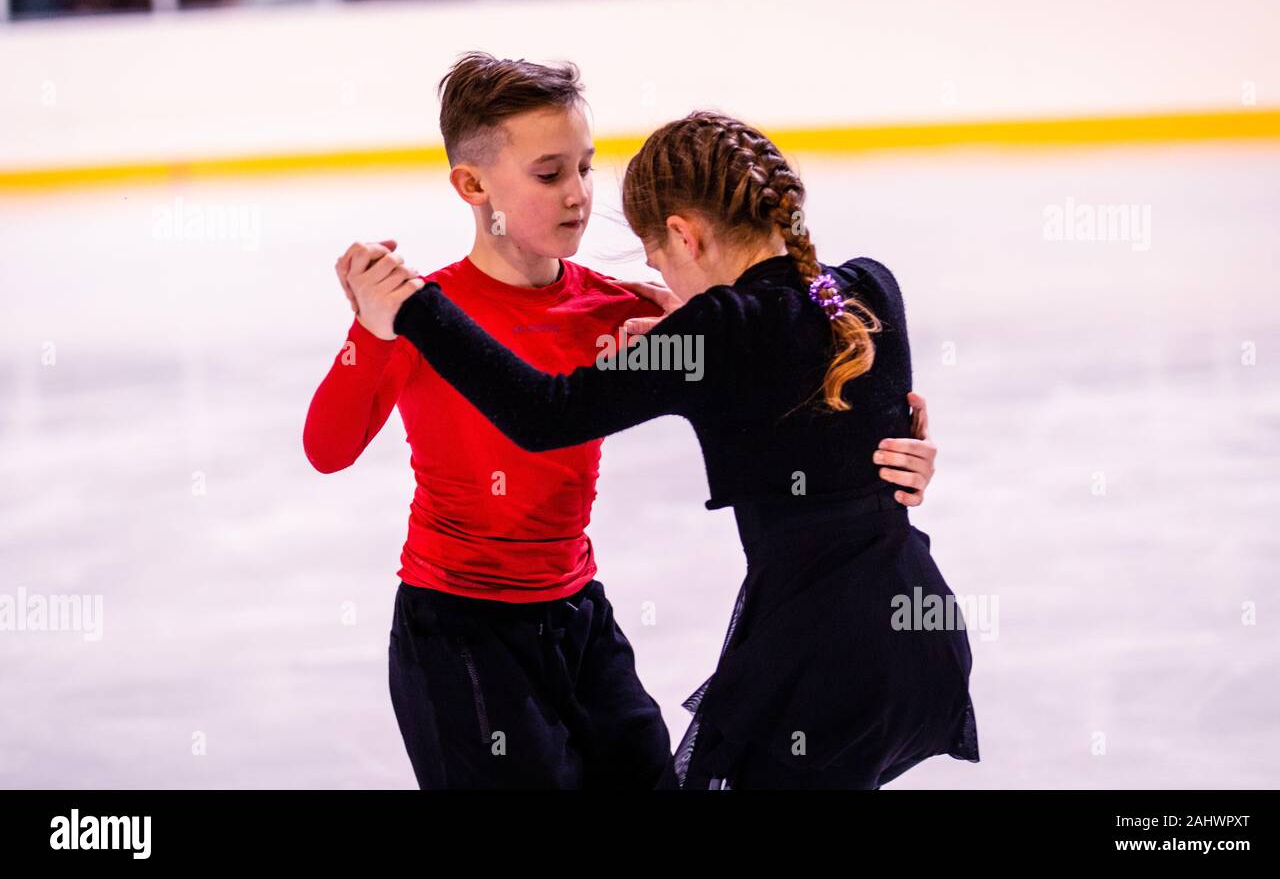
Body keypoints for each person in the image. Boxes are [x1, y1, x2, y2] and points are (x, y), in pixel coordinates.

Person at [305, 53, 940, 789]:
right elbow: (326, 449)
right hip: (460, 629)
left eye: (585, 167)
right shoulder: (423, 313)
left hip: (580, 619)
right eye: (549, 175)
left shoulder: (627, 309)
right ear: (472, 185)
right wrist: (374, 330)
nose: (577, 196)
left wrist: (893, 447)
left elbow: (790, 359)